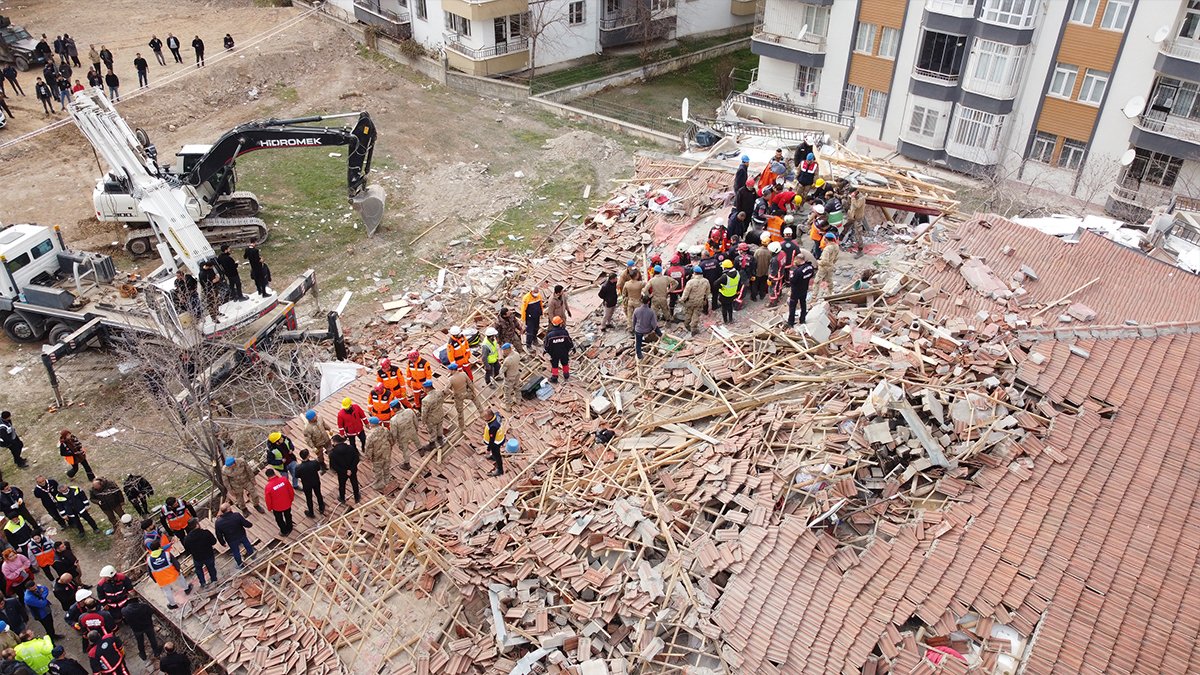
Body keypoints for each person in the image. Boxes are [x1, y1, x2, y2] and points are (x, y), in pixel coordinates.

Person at [213, 503, 255, 568]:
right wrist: (250, 524)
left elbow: (218, 534)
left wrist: (222, 542)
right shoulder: (236, 515)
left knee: (236, 552)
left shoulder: (218, 522)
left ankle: (240, 565)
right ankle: (253, 557)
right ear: (228, 509)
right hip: (241, 534)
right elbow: (245, 523)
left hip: (231, 539)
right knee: (247, 545)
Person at [118, 592, 157, 660]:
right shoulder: (144, 606)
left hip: (136, 629)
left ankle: (143, 654)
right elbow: (151, 612)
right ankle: (156, 652)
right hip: (148, 626)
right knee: (152, 639)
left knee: (140, 642)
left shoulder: (124, 610)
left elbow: (126, 621)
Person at [447, 364, 481, 436]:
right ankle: (482, 412)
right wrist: (473, 392)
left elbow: (446, 390)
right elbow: (470, 384)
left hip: (458, 396)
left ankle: (462, 427)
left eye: (449, 370)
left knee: (460, 412)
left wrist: (452, 393)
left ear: (452, 370)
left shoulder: (450, 379)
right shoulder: (463, 374)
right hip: (466, 393)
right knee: (476, 400)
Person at [181, 523, 217, 588]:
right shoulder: (206, 533)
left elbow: (187, 550)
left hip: (197, 557)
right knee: (211, 568)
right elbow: (214, 541)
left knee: (199, 570)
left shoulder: (187, 539)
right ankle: (214, 579)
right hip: (208, 554)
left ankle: (203, 583)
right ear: (197, 525)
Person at [326, 436, 360, 505]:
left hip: (342, 473)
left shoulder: (332, 454)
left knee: (342, 485)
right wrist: (350, 469)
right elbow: (356, 458)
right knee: (354, 482)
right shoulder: (350, 448)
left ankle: (342, 498)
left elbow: (334, 466)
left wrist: (345, 471)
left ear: (335, 442)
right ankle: (357, 497)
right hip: (352, 470)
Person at [363, 418, 392, 492]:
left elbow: (369, 447)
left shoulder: (370, 434)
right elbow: (391, 439)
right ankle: (387, 480)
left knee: (378, 469)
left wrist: (368, 457)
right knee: (386, 466)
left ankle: (379, 484)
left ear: (372, 424)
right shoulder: (385, 429)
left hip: (377, 454)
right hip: (386, 451)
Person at [387, 403, 418, 472]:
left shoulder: (393, 420)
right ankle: (421, 449)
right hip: (412, 431)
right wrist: (416, 428)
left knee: (405, 450)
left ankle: (407, 464)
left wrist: (393, 442)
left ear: (395, 409)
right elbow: (415, 420)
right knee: (416, 440)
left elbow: (394, 433)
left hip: (402, 437)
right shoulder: (409, 411)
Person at [263, 469, 294, 536]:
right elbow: (291, 490)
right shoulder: (284, 480)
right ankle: (290, 527)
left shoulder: (268, 487)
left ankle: (284, 531)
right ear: (274, 473)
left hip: (277, 507)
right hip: (287, 503)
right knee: (288, 515)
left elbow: (268, 500)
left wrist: (269, 508)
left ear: (267, 477)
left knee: (279, 519)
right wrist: (291, 499)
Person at [543, 316, 574, 383]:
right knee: (565, 363)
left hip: (554, 354)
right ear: (560, 324)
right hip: (564, 352)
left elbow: (547, 346)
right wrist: (571, 348)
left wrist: (547, 351)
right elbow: (569, 342)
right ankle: (566, 375)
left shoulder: (550, 335)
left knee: (555, 365)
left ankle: (554, 377)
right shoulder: (564, 332)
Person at [679, 266, 710, 334]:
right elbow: (708, 292)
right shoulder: (706, 281)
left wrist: (681, 300)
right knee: (696, 315)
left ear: (694, 273)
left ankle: (687, 325)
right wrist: (705, 299)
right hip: (700, 301)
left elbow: (686, 293)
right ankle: (694, 328)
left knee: (688, 313)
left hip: (690, 302)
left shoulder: (690, 282)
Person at [294, 450, 324, 518]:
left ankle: (311, 512)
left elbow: (297, 476)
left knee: (309, 498)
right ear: (308, 456)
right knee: (318, 494)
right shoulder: (314, 463)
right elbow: (318, 469)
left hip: (306, 484)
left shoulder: (298, 467)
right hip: (315, 481)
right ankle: (321, 508)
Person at [418, 382, 447, 450]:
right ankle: (440, 439)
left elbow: (424, 413)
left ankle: (432, 444)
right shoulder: (439, 392)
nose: (423, 390)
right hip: (440, 413)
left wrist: (423, 421)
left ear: (427, 388)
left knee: (432, 431)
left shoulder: (425, 400)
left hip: (432, 419)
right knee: (440, 427)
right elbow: (442, 401)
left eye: (423, 388)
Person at [788, 255, 815, 328]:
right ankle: (802, 319)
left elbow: (792, 280)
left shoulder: (797, 271)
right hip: (804, 288)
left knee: (792, 306)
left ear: (799, 260)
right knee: (803, 304)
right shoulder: (810, 267)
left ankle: (791, 322)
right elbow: (811, 275)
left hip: (796, 290)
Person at [631, 295, 661, 360]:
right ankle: (656, 345)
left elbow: (633, 321)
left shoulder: (636, 310)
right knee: (655, 337)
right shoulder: (651, 311)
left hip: (638, 330)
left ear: (641, 301)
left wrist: (634, 329)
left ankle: (639, 355)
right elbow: (654, 324)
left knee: (638, 343)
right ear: (648, 302)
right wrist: (659, 333)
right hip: (647, 330)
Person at [815, 231, 840, 299]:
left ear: (826, 239)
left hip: (823, 268)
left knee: (817, 281)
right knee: (829, 280)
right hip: (830, 266)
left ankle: (814, 296)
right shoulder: (836, 246)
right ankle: (830, 294)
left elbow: (824, 261)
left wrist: (818, 262)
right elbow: (836, 258)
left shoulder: (827, 249)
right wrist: (832, 263)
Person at [482, 411, 506, 477]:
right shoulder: (497, 415)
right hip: (500, 436)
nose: (484, 419)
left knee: (497, 455)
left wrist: (488, 449)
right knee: (494, 453)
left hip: (496, 442)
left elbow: (491, 440)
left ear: (490, 417)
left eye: (485, 418)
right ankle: (493, 456)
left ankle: (500, 470)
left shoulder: (493, 427)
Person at [717, 260, 740, 324]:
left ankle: (725, 321)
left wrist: (721, 287)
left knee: (724, 308)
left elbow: (715, 283)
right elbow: (739, 283)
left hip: (724, 294)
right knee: (730, 306)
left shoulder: (725, 276)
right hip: (733, 294)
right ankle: (731, 319)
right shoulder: (737, 273)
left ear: (725, 268)